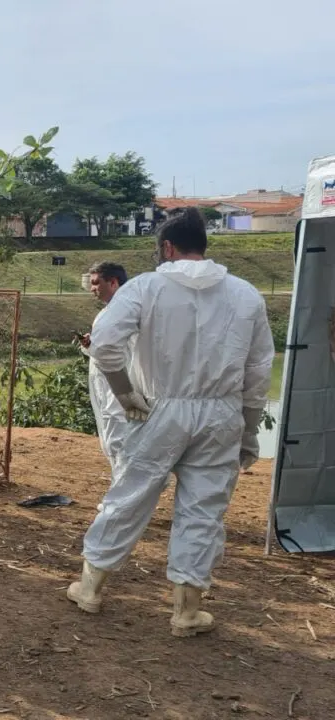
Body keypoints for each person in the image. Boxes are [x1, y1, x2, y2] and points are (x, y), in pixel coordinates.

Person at [67, 208, 274, 637]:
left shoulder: (146, 287)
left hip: (158, 408)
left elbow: (104, 345)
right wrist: (249, 429)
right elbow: (258, 373)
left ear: (166, 247)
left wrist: (129, 400)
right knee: (204, 509)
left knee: (131, 494)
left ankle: (90, 588)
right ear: (204, 244)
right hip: (221, 412)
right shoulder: (246, 295)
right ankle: (186, 610)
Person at [79, 262, 131, 508]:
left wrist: (95, 346)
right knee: (113, 441)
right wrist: (91, 344)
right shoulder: (111, 311)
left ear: (113, 282)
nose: (92, 288)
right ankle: (122, 493)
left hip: (119, 384)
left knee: (119, 440)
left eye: (96, 282)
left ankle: (122, 499)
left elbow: (115, 351)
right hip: (107, 384)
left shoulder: (126, 311)